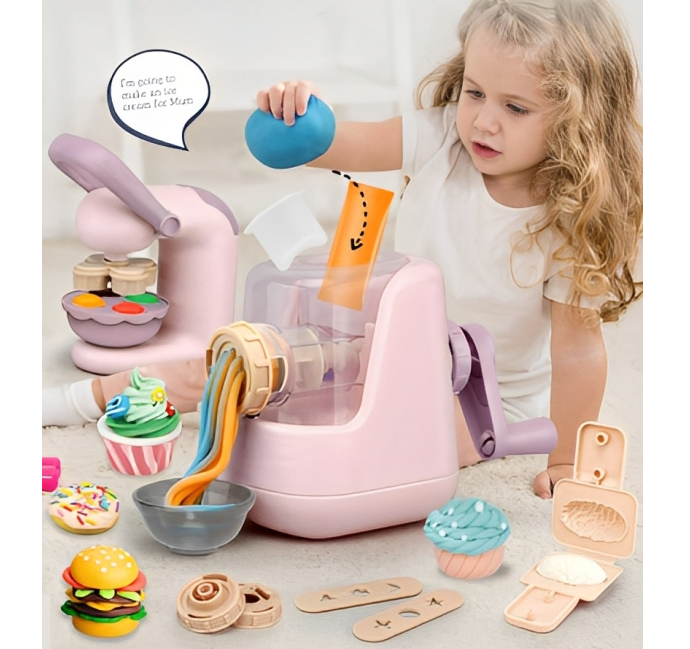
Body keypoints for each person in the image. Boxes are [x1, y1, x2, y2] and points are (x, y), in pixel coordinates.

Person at [43, 0, 642, 500]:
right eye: (475, 91)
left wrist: (567, 459)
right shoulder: (438, 137)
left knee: (381, 448)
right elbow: (328, 144)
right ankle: (76, 400)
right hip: (371, 346)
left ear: (578, 121)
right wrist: (297, 114)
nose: (483, 121)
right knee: (231, 366)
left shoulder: (568, 219)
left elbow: (577, 351)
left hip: (485, 397)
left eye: (515, 107)